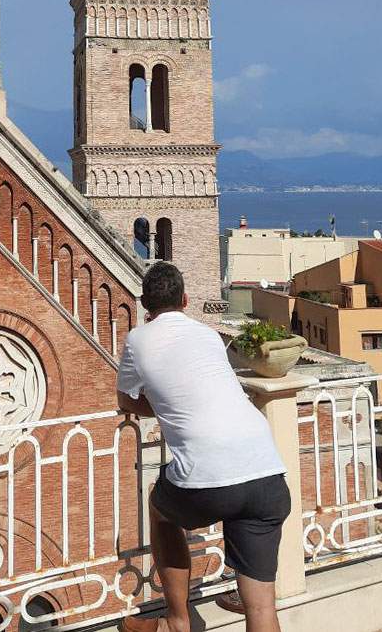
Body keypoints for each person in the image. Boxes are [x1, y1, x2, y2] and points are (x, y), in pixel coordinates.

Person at [117, 262, 290, 632]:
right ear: (185, 299)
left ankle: (178, 621)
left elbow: (127, 400)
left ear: (145, 305)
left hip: (209, 480)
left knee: (160, 510)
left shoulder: (137, 339)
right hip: (266, 470)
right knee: (261, 607)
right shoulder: (209, 335)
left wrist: (163, 410)